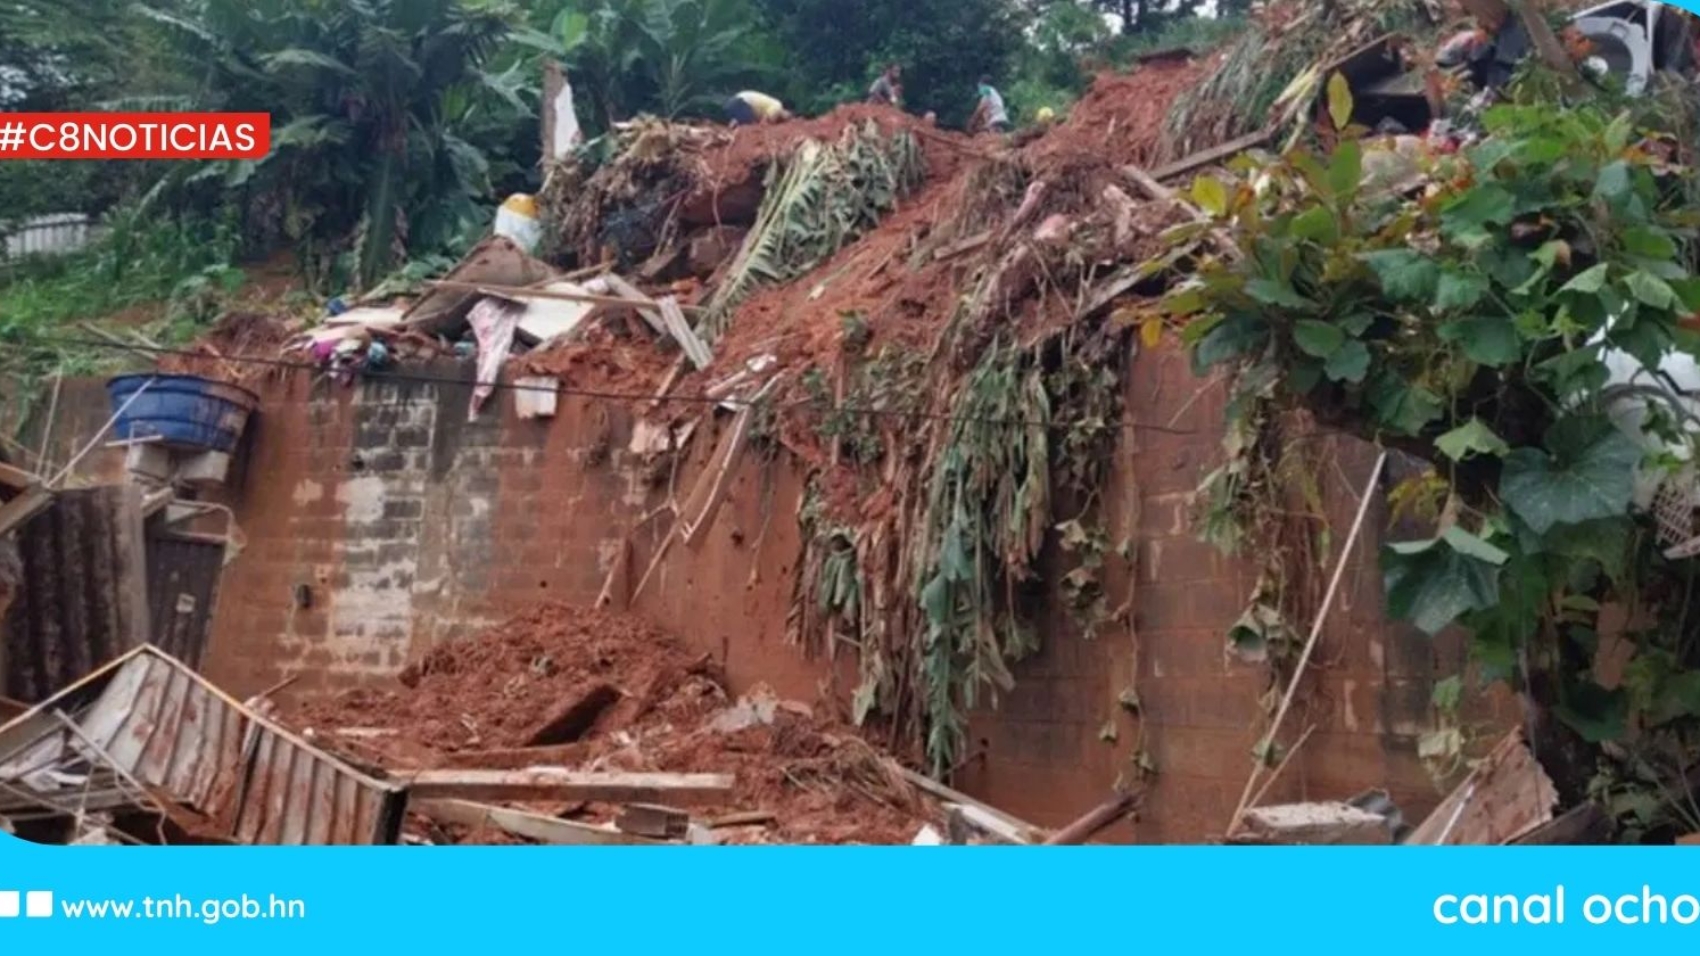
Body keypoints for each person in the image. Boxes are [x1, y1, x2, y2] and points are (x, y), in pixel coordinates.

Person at [725, 90, 791, 126]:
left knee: (745, 122)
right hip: (741, 103)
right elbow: (764, 122)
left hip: (733, 103)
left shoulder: (773, 103)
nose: (789, 118)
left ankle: (735, 122)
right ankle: (736, 122)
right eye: (790, 115)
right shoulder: (778, 106)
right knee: (750, 125)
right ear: (786, 111)